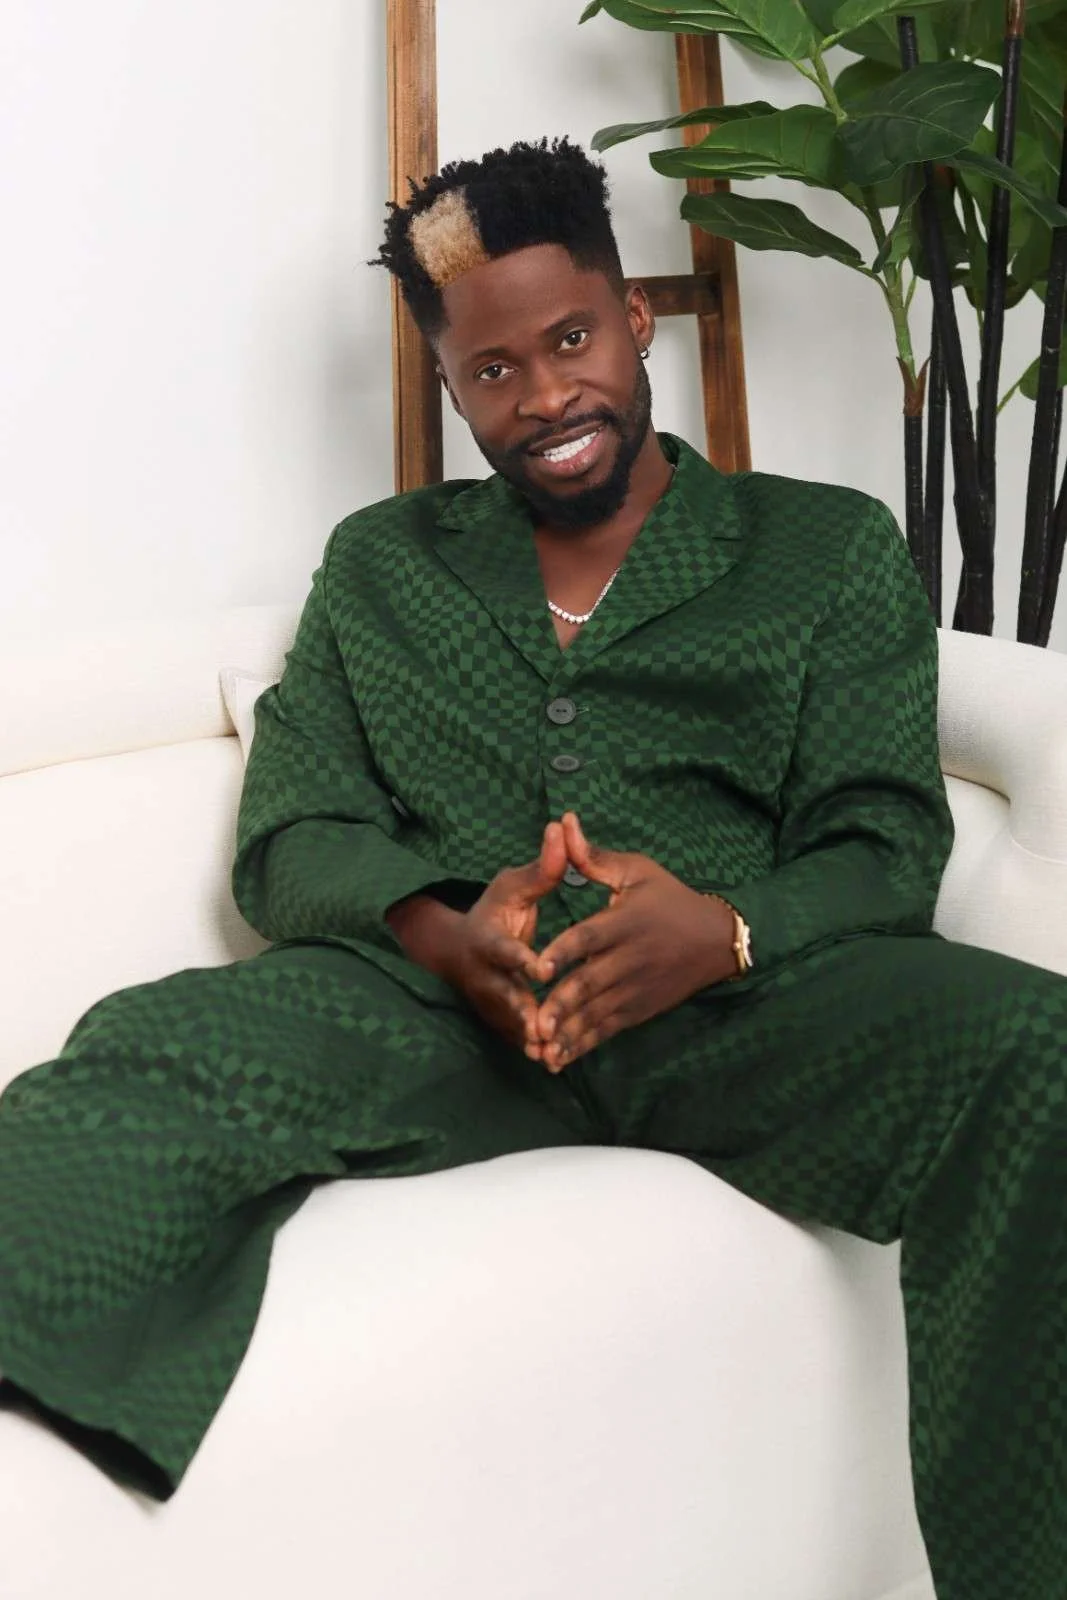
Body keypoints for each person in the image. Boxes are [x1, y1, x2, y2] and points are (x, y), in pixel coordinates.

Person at [0, 136, 1063, 1599]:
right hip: (446, 1017)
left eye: (569, 339)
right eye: (491, 370)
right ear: (450, 387)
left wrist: (723, 931)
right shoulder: (383, 564)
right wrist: (446, 935)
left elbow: (885, 841)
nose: (545, 395)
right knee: (143, 1050)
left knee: (1036, 1053)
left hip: (741, 1016)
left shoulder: (820, 549)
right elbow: (292, 835)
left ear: (636, 319)